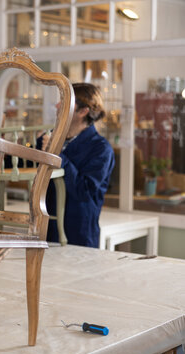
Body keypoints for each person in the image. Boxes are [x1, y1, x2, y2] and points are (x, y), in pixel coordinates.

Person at [41, 82, 115, 248]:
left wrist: (58, 155)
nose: (57, 105)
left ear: (83, 112)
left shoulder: (101, 149)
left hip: (78, 238)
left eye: (65, 102)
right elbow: (20, 166)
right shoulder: (49, 139)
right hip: (46, 234)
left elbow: (84, 191)